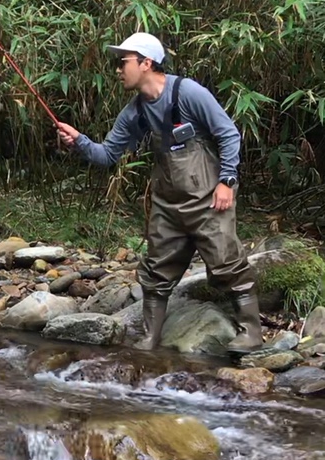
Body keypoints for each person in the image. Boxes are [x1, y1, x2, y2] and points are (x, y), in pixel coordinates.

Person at [55, 32, 263, 352]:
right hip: (168, 206)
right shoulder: (134, 112)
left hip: (210, 201)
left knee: (228, 264)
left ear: (146, 63)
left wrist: (227, 181)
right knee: (156, 273)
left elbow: (228, 134)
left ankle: (251, 333)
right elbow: (107, 155)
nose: (118, 69)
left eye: (123, 62)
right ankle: (150, 337)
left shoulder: (188, 93)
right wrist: (79, 141)